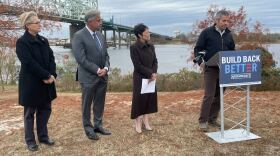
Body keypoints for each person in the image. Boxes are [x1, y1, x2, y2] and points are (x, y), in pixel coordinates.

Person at [16, 11, 57, 151]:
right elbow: (29, 63)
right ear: (28, 26)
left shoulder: (43, 40)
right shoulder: (22, 42)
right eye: (37, 22)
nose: (40, 24)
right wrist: (46, 75)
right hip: (31, 84)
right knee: (29, 114)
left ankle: (43, 137)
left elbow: (51, 58)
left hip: (47, 83)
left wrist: (52, 75)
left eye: (39, 21)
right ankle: (30, 141)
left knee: (45, 110)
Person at [72, 9, 111, 140]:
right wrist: (96, 70)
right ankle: (88, 129)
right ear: (90, 21)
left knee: (99, 102)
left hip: (103, 76)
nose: (101, 22)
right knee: (86, 104)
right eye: (99, 20)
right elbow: (81, 59)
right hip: (88, 77)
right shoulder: (79, 36)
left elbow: (106, 55)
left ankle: (98, 125)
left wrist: (105, 68)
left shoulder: (100, 35)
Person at [194, 10, 235, 132]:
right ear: (217, 20)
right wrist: (200, 61)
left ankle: (212, 119)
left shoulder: (229, 35)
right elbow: (198, 49)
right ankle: (203, 121)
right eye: (224, 21)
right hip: (210, 69)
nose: (226, 23)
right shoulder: (206, 33)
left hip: (224, 69)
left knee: (219, 95)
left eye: (228, 21)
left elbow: (232, 50)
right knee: (209, 95)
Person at [130, 23, 158, 133]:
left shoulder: (151, 46)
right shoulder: (134, 47)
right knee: (139, 100)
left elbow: (155, 61)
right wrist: (150, 73)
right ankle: (138, 122)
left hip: (151, 77)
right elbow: (137, 65)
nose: (149, 33)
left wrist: (154, 73)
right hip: (140, 77)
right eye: (146, 32)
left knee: (149, 99)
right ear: (140, 35)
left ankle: (146, 121)